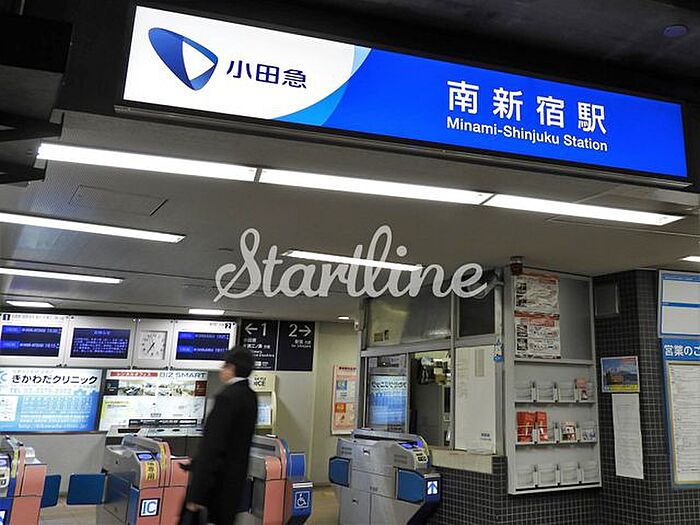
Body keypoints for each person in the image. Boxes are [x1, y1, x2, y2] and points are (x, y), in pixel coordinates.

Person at [184, 346, 258, 524]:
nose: (221, 370)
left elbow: (212, 448)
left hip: (215, 486)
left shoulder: (226, 398)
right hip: (234, 484)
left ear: (231, 367)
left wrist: (196, 494)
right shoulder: (250, 396)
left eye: (224, 365)